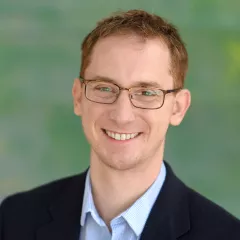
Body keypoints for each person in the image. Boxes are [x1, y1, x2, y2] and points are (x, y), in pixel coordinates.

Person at [0, 9, 239, 240]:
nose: (122, 115)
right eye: (104, 88)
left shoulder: (226, 235)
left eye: (146, 92)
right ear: (78, 97)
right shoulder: (15, 219)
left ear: (177, 108)